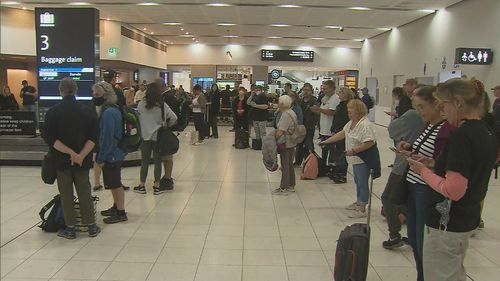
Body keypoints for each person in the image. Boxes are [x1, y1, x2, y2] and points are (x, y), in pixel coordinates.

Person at [407, 79, 498, 281]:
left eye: (444, 106)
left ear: (458, 103)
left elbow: (453, 190)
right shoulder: (485, 131)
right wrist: (433, 164)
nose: (443, 112)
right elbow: (469, 169)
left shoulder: (462, 136)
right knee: (453, 273)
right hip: (466, 217)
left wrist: (423, 171)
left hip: (447, 221)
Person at [397, 85, 454, 281]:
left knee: (423, 241)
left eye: (422, 107)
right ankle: (421, 275)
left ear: (437, 105)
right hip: (413, 185)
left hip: (426, 189)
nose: (419, 112)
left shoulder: (446, 129)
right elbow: (427, 153)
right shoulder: (428, 125)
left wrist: (427, 165)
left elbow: (444, 163)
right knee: (413, 237)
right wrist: (410, 150)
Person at [42, 77, 100, 239]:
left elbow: (51, 139)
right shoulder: (87, 111)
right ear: (76, 90)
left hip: (61, 161)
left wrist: (70, 153)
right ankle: (91, 226)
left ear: (60, 91)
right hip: (83, 161)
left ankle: (70, 228)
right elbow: (94, 137)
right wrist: (80, 155)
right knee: (84, 191)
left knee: (66, 193)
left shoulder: (53, 112)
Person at [319, 99, 377, 218]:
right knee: (357, 182)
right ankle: (358, 201)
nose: (348, 111)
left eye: (351, 109)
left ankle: (362, 208)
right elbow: (342, 133)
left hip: (362, 159)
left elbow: (369, 142)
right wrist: (327, 141)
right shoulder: (351, 122)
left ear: (358, 110)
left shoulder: (365, 124)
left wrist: (354, 150)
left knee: (362, 183)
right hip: (354, 159)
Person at [381, 107, 425, 249]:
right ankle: (414, 236)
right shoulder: (433, 124)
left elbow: (392, 130)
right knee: (410, 202)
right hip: (415, 165)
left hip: (404, 166)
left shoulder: (412, 114)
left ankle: (394, 234)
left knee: (388, 198)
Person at [92, 81, 128, 224]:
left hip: (112, 153)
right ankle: (116, 206)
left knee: (115, 183)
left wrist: (100, 158)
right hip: (116, 151)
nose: (94, 97)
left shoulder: (108, 113)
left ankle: (121, 212)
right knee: (113, 182)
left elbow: (107, 137)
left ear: (106, 96)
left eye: (97, 94)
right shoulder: (114, 109)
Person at [134, 82, 177, 195]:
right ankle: (157, 186)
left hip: (145, 136)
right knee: (157, 161)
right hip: (158, 137)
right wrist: (166, 125)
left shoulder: (141, 104)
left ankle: (142, 185)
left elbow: (137, 119)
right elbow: (174, 117)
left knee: (144, 161)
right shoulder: (162, 105)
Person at [272, 95, 298, 195]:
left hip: (285, 142)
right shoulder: (292, 112)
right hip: (291, 141)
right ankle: (291, 184)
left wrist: (273, 139)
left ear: (282, 104)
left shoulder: (285, 115)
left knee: (285, 164)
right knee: (289, 164)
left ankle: (284, 187)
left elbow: (281, 131)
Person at [156, 79, 179, 188]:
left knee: (167, 156)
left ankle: (167, 178)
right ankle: (167, 177)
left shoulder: (166, 98)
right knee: (167, 156)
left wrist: (167, 126)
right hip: (167, 130)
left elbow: (173, 116)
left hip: (165, 131)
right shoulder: (169, 97)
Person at [329, 87, 354, 183]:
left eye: (341, 92)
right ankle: (337, 171)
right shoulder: (340, 105)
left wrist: (338, 129)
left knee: (342, 153)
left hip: (343, 131)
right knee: (338, 152)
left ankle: (342, 174)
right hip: (337, 130)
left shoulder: (348, 106)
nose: (339, 93)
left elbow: (344, 119)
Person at [310, 80, 340, 161]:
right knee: (324, 149)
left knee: (331, 150)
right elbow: (323, 113)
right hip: (323, 128)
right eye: (323, 88)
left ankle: (331, 165)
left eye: (326, 89)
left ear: (332, 88)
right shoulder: (325, 98)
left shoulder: (335, 99)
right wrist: (316, 110)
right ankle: (323, 165)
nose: (324, 90)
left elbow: (332, 112)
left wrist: (319, 109)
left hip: (330, 130)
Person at [294, 83, 318, 166]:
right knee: (299, 144)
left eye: (307, 90)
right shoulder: (300, 101)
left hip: (309, 126)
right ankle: (298, 161)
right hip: (301, 126)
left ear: (311, 91)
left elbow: (316, 112)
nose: (305, 92)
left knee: (309, 144)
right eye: (304, 90)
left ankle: (310, 162)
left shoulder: (314, 100)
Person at [247, 85, 269, 150]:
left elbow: (265, 106)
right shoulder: (254, 96)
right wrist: (251, 95)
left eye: (257, 90)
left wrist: (256, 106)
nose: (256, 91)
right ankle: (258, 145)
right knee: (257, 132)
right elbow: (248, 102)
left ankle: (264, 145)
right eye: (255, 90)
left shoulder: (263, 96)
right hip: (255, 117)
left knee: (262, 132)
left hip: (262, 117)